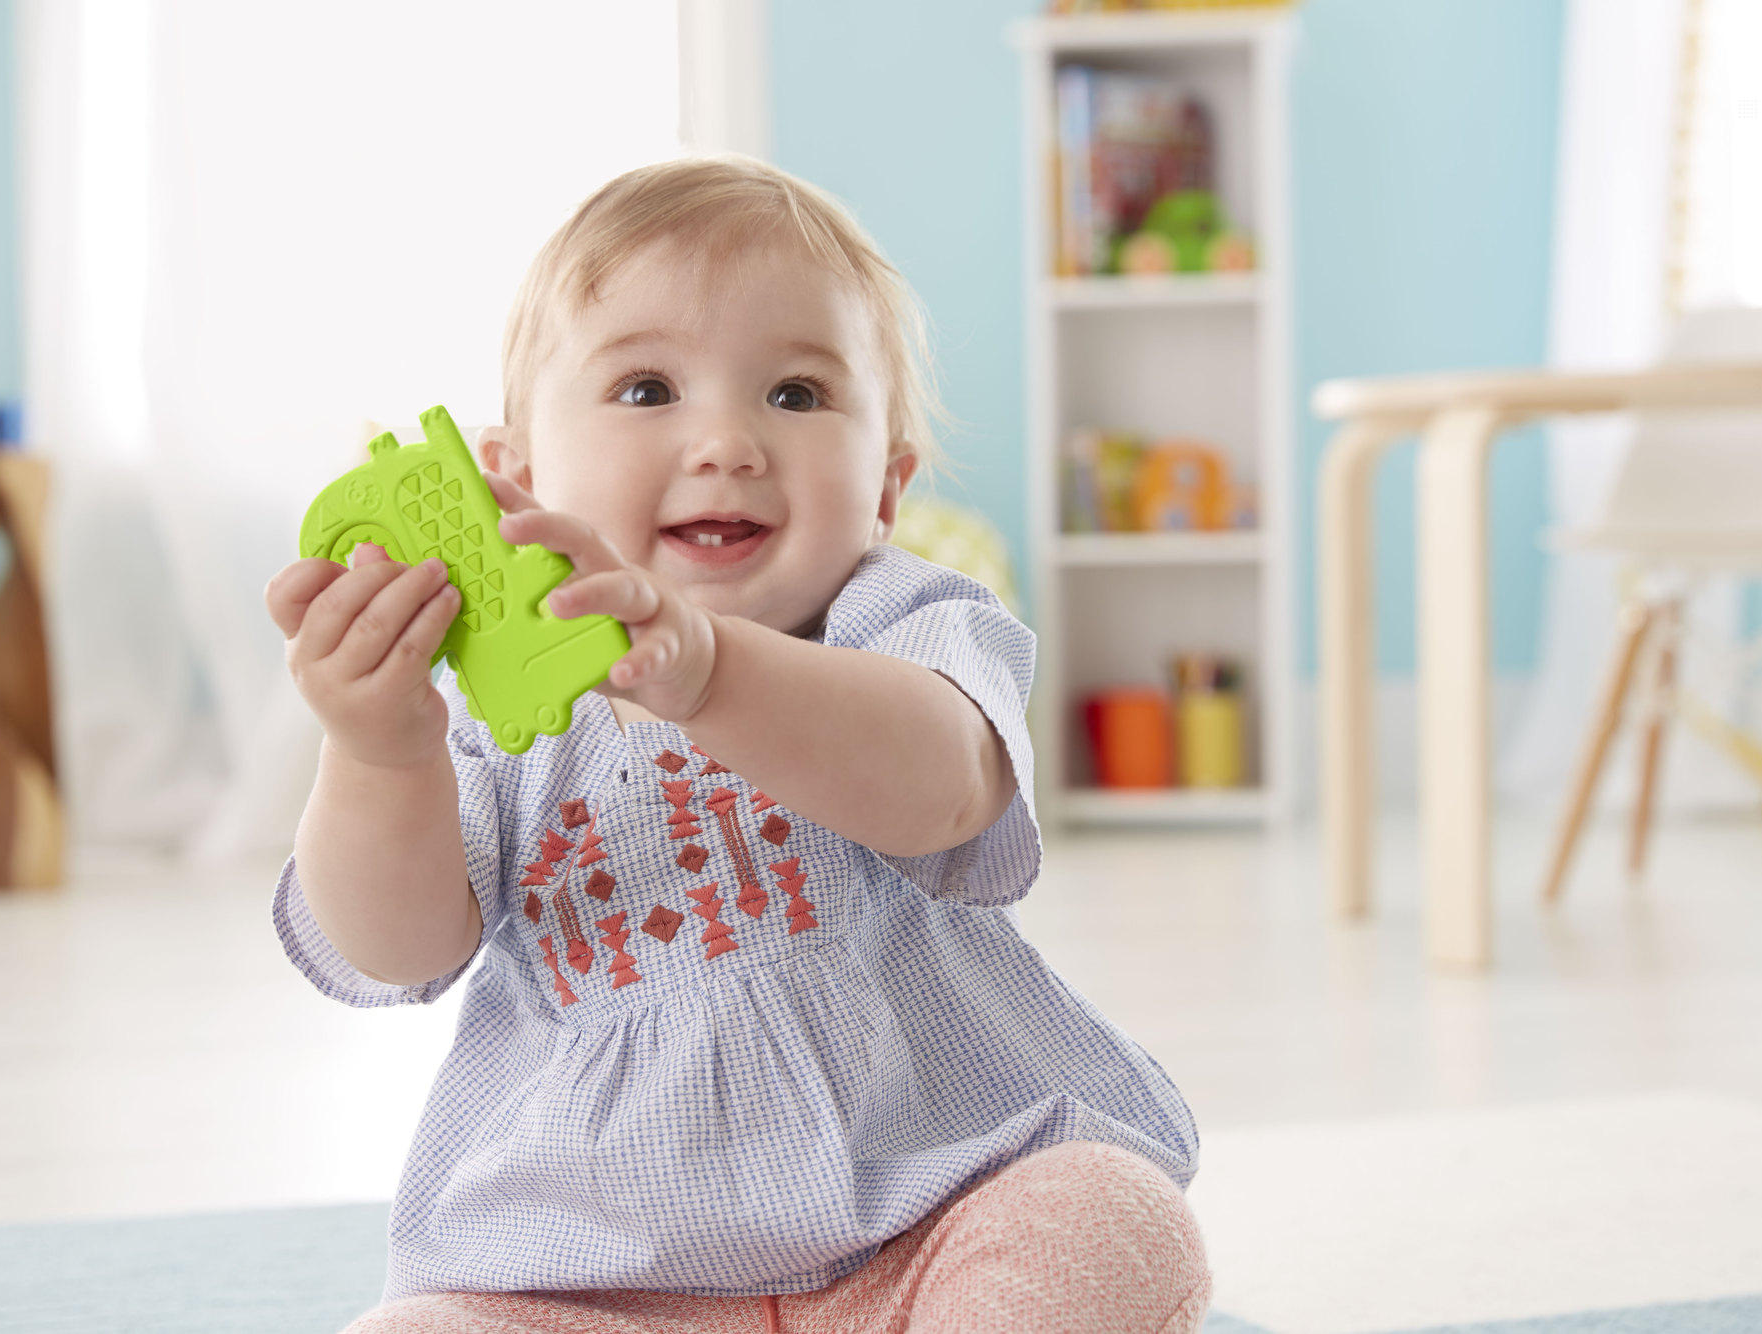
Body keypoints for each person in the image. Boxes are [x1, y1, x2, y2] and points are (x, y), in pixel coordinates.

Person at [263, 155, 1210, 1333]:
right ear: (513, 476)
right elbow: (397, 946)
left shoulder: (903, 621)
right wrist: (378, 752)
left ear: (885, 488)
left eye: (796, 394)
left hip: (920, 1232)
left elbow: (945, 787)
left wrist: (708, 669)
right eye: (647, 388)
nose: (726, 442)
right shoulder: (489, 711)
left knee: (1105, 1215)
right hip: (596, 1285)